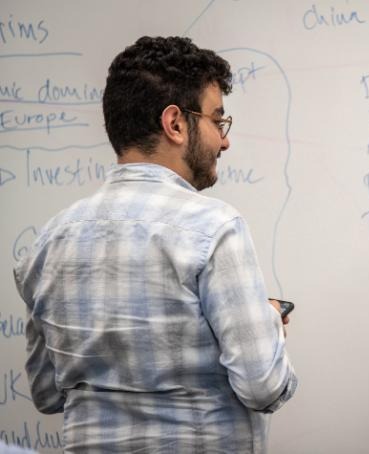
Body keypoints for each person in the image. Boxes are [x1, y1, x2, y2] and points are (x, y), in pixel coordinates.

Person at [13, 36, 297, 453]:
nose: (224, 140)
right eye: (218, 121)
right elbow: (264, 388)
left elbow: (47, 394)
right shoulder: (215, 228)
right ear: (176, 124)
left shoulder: (49, 243)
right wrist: (267, 321)